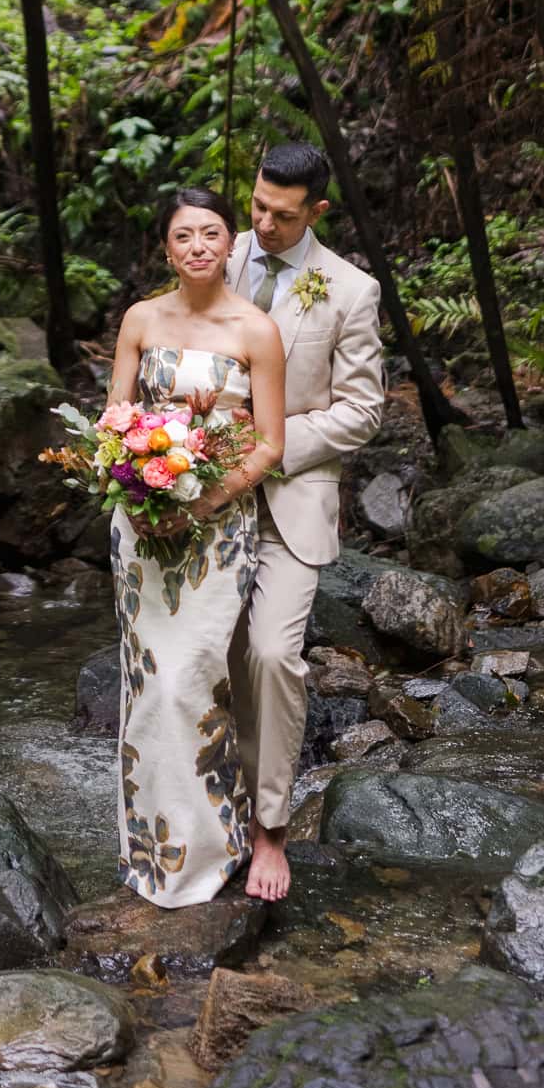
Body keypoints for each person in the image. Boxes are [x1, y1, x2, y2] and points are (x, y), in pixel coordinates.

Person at [105, 188, 285, 908]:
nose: (199, 246)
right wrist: (133, 492)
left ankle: (219, 846)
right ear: (167, 248)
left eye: (212, 233)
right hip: (142, 530)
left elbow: (270, 442)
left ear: (230, 243)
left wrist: (205, 499)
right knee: (148, 688)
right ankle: (150, 851)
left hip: (216, 531)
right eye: (184, 236)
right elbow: (113, 422)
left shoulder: (256, 330)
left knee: (191, 681)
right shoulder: (141, 319)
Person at [226, 142, 384, 902]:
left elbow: (363, 411)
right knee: (210, 662)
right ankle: (203, 814)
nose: (262, 224)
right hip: (203, 498)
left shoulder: (351, 290)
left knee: (271, 656)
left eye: (281, 216)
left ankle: (270, 830)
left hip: (289, 502)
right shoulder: (217, 258)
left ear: (317, 210)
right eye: (256, 205)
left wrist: (271, 449)